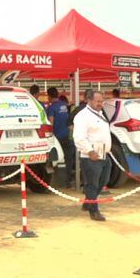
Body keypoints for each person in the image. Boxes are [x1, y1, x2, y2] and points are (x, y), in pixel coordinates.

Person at [72, 89, 110, 221]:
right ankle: (94, 211)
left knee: (103, 181)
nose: (100, 103)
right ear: (89, 101)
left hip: (104, 153)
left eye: (102, 101)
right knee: (92, 184)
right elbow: (79, 137)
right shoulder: (82, 116)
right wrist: (90, 151)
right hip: (91, 156)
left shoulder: (100, 113)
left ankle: (88, 202)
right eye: (97, 101)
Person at [47, 87, 74, 187]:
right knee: (69, 159)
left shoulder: (51, 108)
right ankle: (68, 181)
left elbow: (51, 123)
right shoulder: (64, 105)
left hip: (58, 138)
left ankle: (58, 182)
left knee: (56, 160)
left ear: (49, 96)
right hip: (69, 135)